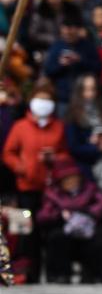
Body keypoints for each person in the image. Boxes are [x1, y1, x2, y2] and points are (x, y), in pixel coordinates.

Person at [2, 80, 68, 283]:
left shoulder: (58, 127)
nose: (43, 103)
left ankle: (55, 273)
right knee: (27, 233)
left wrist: (54, 159)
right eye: (40, 98)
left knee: (52, 231)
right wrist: (20, 167)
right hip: (26, 187)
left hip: (51, 189)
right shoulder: (21, 126)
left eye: (48, 99)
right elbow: (8, 152)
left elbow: (65, 153)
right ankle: (29, 273)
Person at [37, 157, 102, 283]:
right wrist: (59, 215)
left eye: (73, 178)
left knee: (98, 239)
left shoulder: (89, 189)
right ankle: (61, 275)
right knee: (57, 238)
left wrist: (89, 212)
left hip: (87, 228)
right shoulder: (53, 193)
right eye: (67, 179)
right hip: (64, 229)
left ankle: (93, 274)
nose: (71, 182)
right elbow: (43, 215)